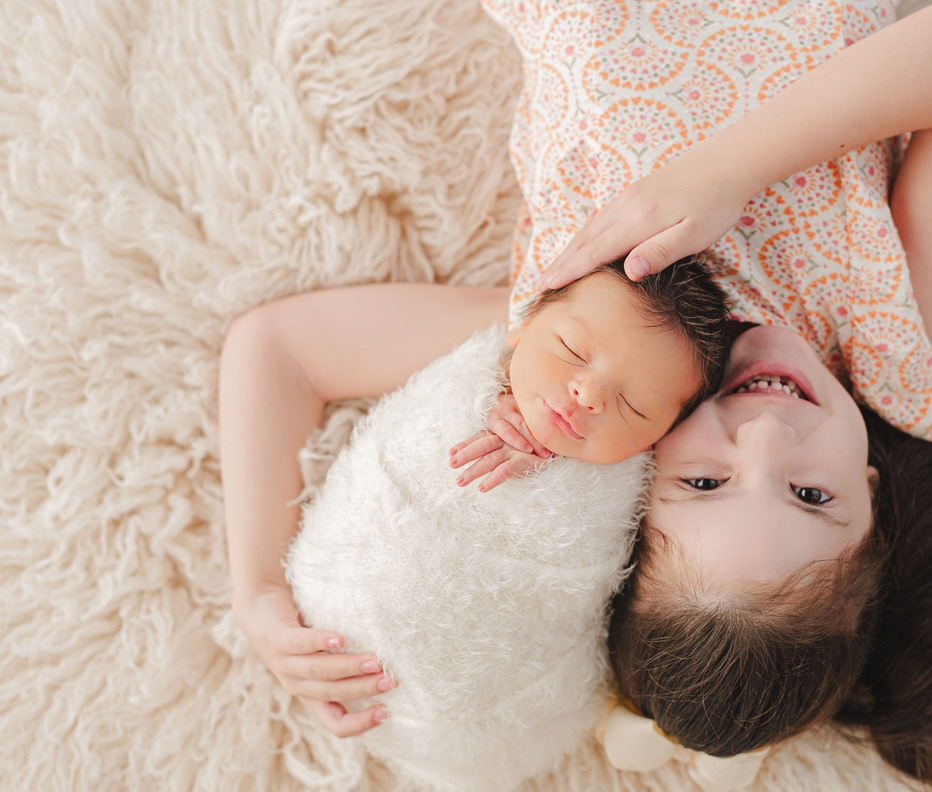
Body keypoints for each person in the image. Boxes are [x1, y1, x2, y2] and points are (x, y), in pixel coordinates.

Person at [460, 0, 932, 792]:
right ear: (873, 494)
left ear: (639, 477)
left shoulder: (596, 354)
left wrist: (297, 605)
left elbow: (326, 345)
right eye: (810, 494)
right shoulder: (894, 346)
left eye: (705, 482)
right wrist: (728, 170)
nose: (766, 435)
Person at [219, 256, 728, 736]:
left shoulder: (652, 442)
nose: (588, 394)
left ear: (660, 441)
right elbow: (273, 347)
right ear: (525, 319)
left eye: (634, 406)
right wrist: (258, 587)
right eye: (572, 351)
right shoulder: (581, 311)